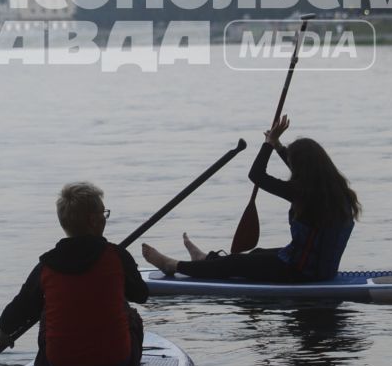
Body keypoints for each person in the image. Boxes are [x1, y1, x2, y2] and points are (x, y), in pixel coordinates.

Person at [141, 115, 360, 283]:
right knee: (256, 254)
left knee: (236, 263)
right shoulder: (337, 192)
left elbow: (255, 175)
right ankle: (205, 259)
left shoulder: (302, 193)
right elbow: (301, 169)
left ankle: (173, 265)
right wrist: (277, 144)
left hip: (300, 273)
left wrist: (267, 145)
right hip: (321, 270)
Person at [0, 182, 148, 366]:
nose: (105, 218)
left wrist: (3, 330)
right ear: (93, 221)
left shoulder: (46, 266)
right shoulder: (117, 256)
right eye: (104, 213)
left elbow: (20, 307)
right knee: (131, 314)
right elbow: (141, 294)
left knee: (46, 311)